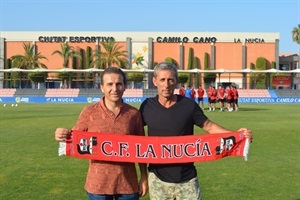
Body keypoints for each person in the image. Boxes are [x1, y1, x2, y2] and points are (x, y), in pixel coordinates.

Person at [139, 62, 253, 200]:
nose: (166, 84)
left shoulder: (188, 105)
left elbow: (209, 126)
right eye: (162, 80)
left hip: (187, 180)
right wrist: (143, 177)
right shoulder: (147, 107)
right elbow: (135, 138)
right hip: (157, 180)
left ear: (176, 82)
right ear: (154, 81)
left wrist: (236, 135)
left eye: (170, 80)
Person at [54, 67, 148, 200]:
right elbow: (73, 137)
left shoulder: (134, 114)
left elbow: (142, 148)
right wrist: (61, 134)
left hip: (128, 184)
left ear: (124, 87)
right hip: (98, 185)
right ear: (102, 87)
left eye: (118, 84)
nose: (114, 89)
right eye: (110, 84)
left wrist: (144, 177)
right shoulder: (89, 112)